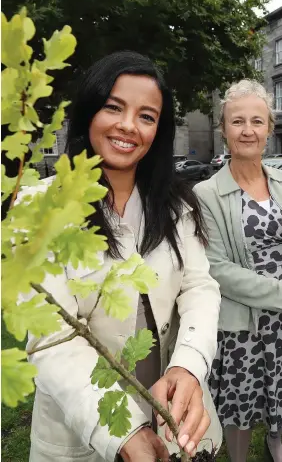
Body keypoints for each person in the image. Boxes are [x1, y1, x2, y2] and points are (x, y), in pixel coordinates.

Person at [25, 51, 222, 462]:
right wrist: (123, 431)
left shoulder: (173, 205)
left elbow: (199, 287)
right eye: (114, 107)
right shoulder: (41, 210)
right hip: (82, 418)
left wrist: (188, 366)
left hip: (167, 401)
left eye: (147, 116)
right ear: (89, 111)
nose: (128, 126)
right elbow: (52, 338)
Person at [194, 79, 282, 462]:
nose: (248, 130)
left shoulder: (281, 181)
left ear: (269, 129)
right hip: (242, 325)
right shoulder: (207, 194)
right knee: (239, 410)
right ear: (224, 129)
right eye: (238, 121)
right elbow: (217, 268)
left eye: (257, 121)